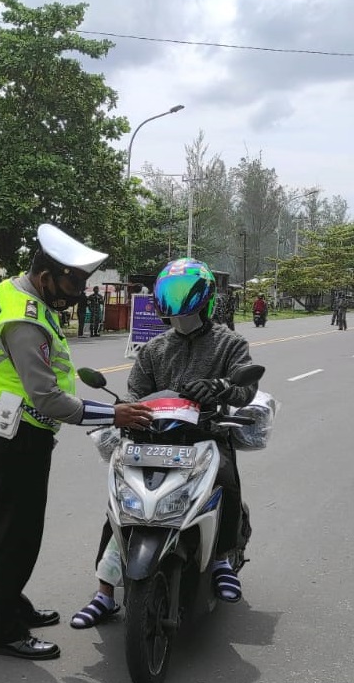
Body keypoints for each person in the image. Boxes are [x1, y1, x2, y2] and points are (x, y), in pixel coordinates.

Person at [0, 224, 152, 660]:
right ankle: (2, 631)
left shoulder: (14, 290)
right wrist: (114, 413)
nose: (76, 295)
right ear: (46, 275)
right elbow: (49, 399)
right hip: (19, 432)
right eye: (71, 285)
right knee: (17, 535)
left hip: (3, 414)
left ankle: (12, 604)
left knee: (12, 526)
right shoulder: (24, 320)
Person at [70, 257, 258, 630]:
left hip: (205, 437)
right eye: (169, 296)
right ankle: (105, 593)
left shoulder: (230, 344)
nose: (177, 305)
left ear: (203, 299)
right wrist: (128, 408)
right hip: (152, 438)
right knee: (122, 506)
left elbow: (245, 389)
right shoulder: (154, 349)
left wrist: (220, 388)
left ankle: (221, 557)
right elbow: (136, 393)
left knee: (227, 478)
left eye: (184, 295)